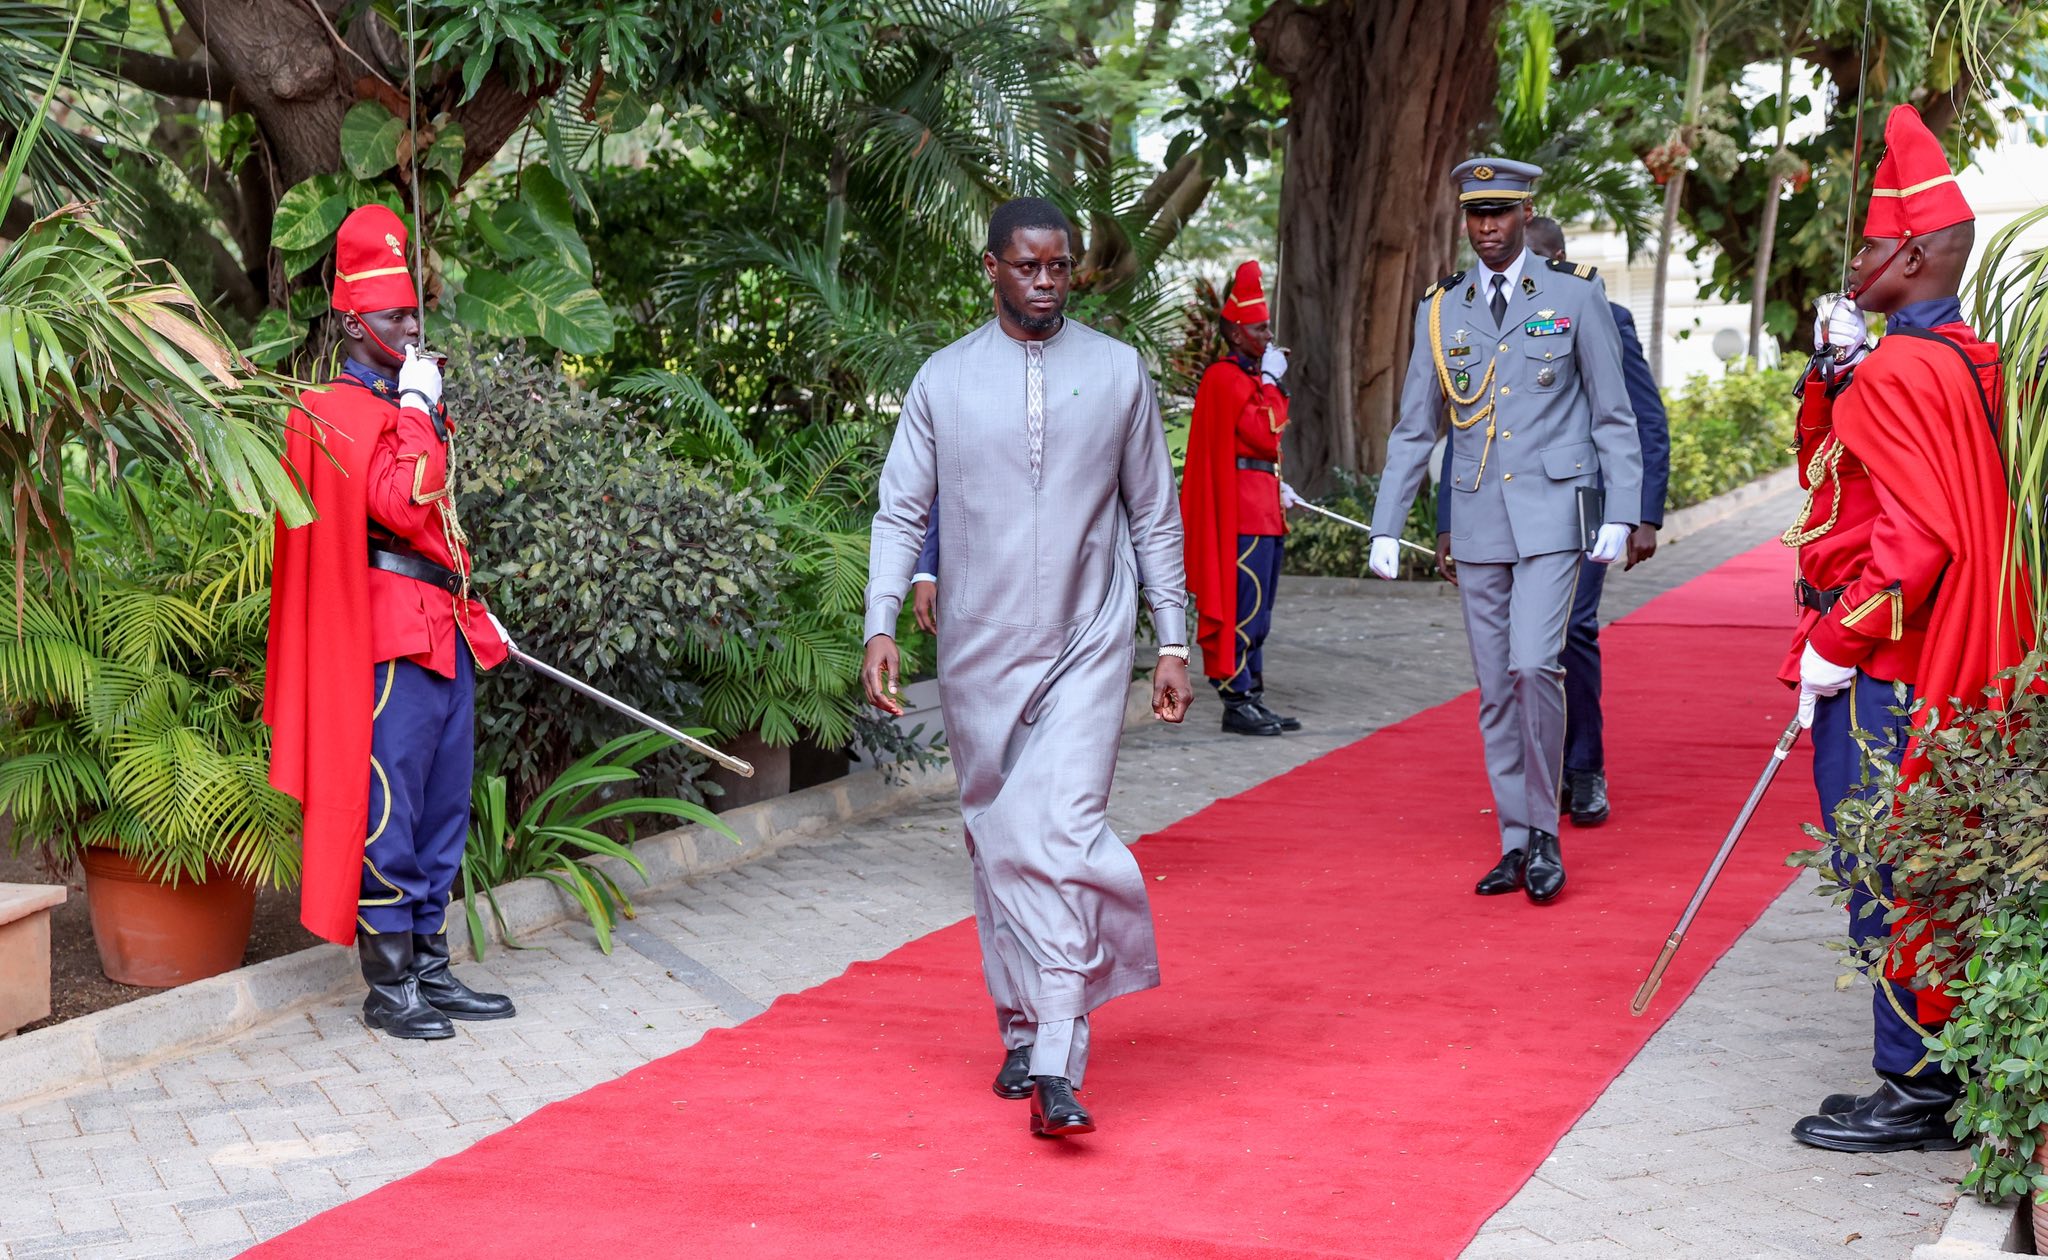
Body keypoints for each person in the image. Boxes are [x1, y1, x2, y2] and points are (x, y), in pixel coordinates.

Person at [860, 197, 1192, 1139]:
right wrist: (882, 618)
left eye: (1060, 267)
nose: (1046, 282)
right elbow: (898, 510)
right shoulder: (944, 379)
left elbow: (1152, 517)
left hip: (1092, 638)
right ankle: (1018, 1024)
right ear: (992, 267)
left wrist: (1171, 641)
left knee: (1065, 831)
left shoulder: (1119, 371)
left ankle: (1055, 1054)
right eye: (1028, 266)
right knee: (994, 833)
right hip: (979, 645)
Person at [1782, 105, 2028, 1152]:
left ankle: (1915, 1085)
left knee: (1884, 862)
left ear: (1914, 252)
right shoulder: (1976, 360)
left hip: (1894, 661)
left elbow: (1910, 546)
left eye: (1870, 246)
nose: (1855, 262)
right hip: (1974, 657)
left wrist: (1829, 647)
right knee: (1938, 856)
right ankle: (1946, 1068)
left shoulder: (1897, 371)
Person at [266, 204, 517, 1041]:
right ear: (351, 318)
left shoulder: (409, 400)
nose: (408, 327)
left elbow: (442, 531)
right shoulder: (333, 408)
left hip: (439, 630)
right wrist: (415, 409)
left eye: (413, 311)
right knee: (390, 812)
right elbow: (401, 503)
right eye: (392, 316)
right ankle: (389, 985)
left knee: (444, 813)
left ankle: (434, 971)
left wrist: (475, 614)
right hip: (384, 643)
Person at [1368, 158, 1642, 904]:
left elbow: (1615, 414)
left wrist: (1621, 509)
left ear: (1526, 213)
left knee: (1532, 665)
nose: (1486, 228)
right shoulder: (1443, 308)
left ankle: (1549, 833)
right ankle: (1516, 841)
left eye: (1500, 213)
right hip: (1479, 515)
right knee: (1493, 689)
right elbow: (1415, 426)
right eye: (1475, 215)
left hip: (1555, 513)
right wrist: (1387, 523)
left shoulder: (1573, 296)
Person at [1434, 215, 1670, 826]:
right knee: (1514, 654)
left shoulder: (1599, 311)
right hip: (1495, 508)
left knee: (1572, 631)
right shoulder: (1467, 313)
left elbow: (1640, 417)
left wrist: (1641, 514)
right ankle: (1534, 784)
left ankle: (1584, 769)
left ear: (1557, 258)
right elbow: (1467, 426)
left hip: (1578, 501)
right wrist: (1447, 522)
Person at [1180, 259, 1307, 736]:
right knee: (1242, 608)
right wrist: (1272, 381)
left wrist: (1278, 486)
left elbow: (1263, 448)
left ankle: (1251, 694)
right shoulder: (1225, 378)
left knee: (1263, 611)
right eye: (1259, 328)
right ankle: (1235, 699)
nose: (1268, 336)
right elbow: (1262, 432)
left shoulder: (1250, 379)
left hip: (1264, 509)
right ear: (1236, 334)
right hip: (1239, 514)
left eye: (1268, 327)